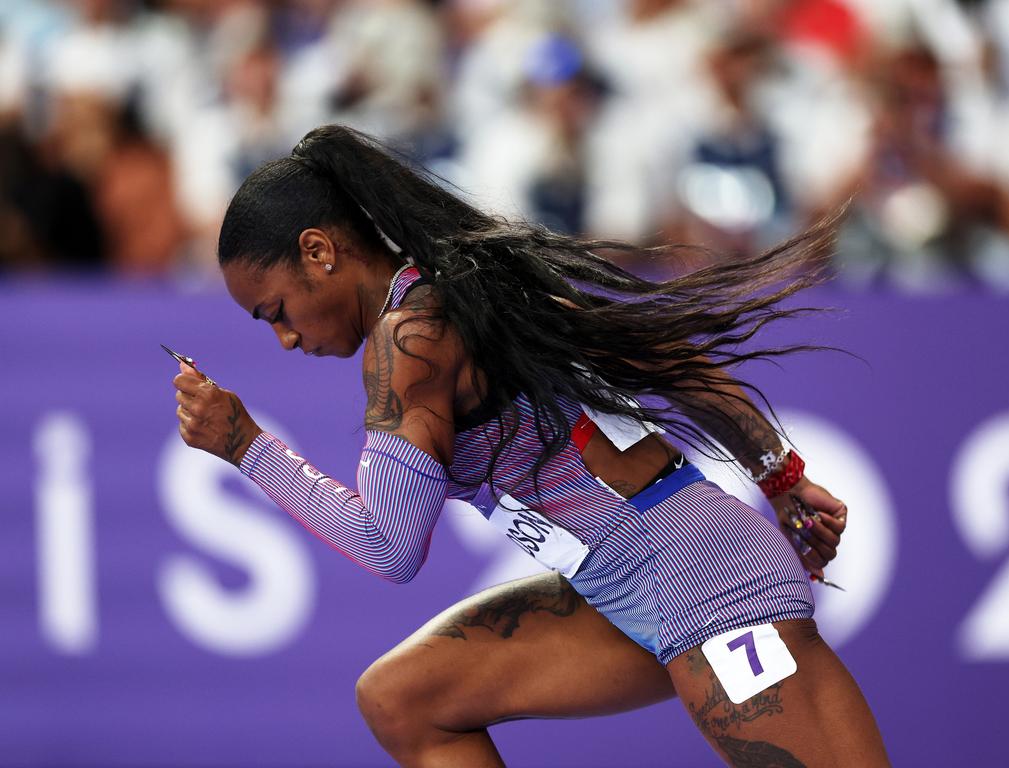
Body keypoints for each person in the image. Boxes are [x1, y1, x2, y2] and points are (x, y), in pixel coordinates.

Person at [171, 124, 889, 767]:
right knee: (403, 699)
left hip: (701, 586)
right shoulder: (470, 279)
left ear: (319, 251)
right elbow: (675, 364)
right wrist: (782, 476)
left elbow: (389, 547)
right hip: (623, 590)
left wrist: (246, 445)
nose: (285, 338)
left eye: (276, 312)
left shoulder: (406, 341)